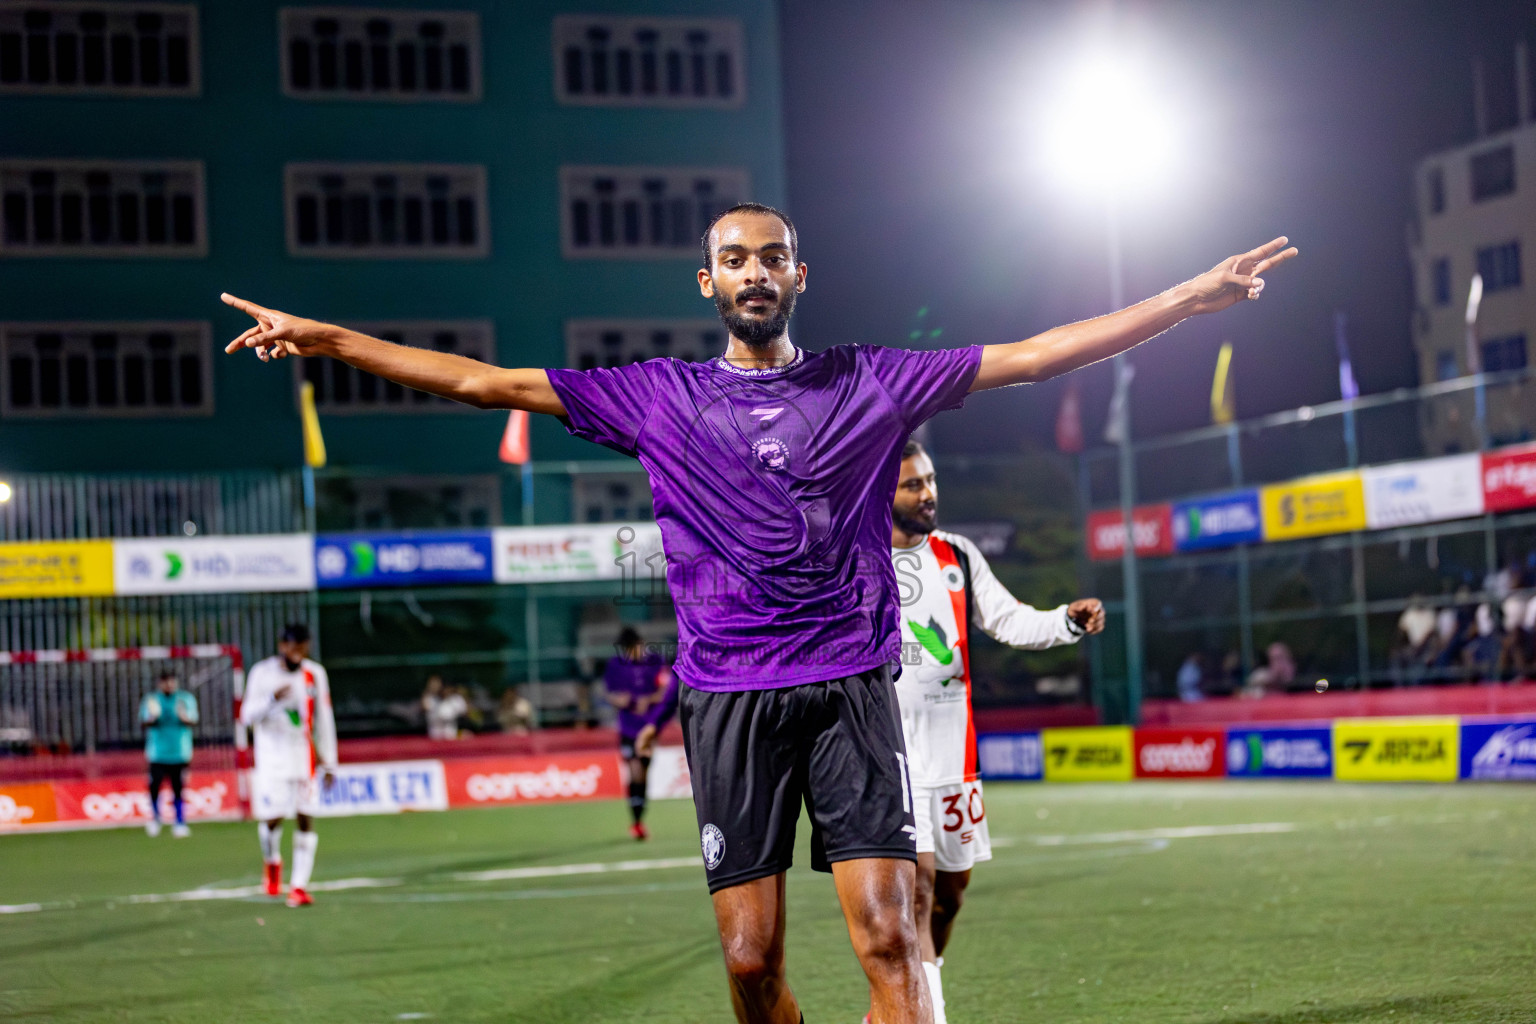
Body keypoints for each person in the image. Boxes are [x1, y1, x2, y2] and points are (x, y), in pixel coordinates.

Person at [221, 204, 1295, 1024]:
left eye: (771, 256)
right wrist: (331, 342)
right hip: (728, 702)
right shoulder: (656, 397)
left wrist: (1182, 301)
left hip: (850, 696)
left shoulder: (870, 380)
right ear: (708, 280)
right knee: (749, 964)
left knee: (893, 940)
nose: (754, 272)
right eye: (734, 259)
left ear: (798, 274)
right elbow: (482, 383)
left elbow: (1031, 354)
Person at [889, 440, 1103, 1024]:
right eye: (913, 484)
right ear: (882, 489)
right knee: (919, 887)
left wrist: (1064, 621)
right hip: (890, 753)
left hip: (954, 751)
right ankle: (925, 1015)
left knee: (951, 894)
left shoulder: (956, 554)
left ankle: (899, 1004)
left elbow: (1008, 618)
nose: (929, 493)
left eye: (930, 480)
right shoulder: (855, 559)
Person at [238, 624, 337, 908]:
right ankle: (272, 861)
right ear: (282, 646)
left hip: (303, 756)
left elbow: (324, 718)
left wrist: (330, 762)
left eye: (304, 648)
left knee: (306, 815)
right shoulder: (262, 673)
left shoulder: (314, 674)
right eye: (294, 648)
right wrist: (271, 700)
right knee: (274, 818)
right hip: (272, 758)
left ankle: (298, 887)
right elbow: (246, 716)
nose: (299, 654)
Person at [603, 627, 675, 839]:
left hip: (648, 728)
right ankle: (636, 822)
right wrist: (620, 700)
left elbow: (668, 689)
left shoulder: (655, 661)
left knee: (642, 773)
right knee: (634, 770)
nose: (638, 651)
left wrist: (649, 700)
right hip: (627, 727)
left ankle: (638, 820)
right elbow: (609, 694)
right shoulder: (615, 666)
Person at [140, 671, 199, 838]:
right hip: (157, 753)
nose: (169, 685)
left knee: (178, 788)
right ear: (160, 683)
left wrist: (183, 716)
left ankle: (180, 822)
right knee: (154, 786)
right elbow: (144, 721)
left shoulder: (185, 699)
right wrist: (152, 718)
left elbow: (193, 720)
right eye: (165, 682)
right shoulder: (152, 700)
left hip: (180, 752)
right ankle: (155, 819)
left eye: (172, 682)